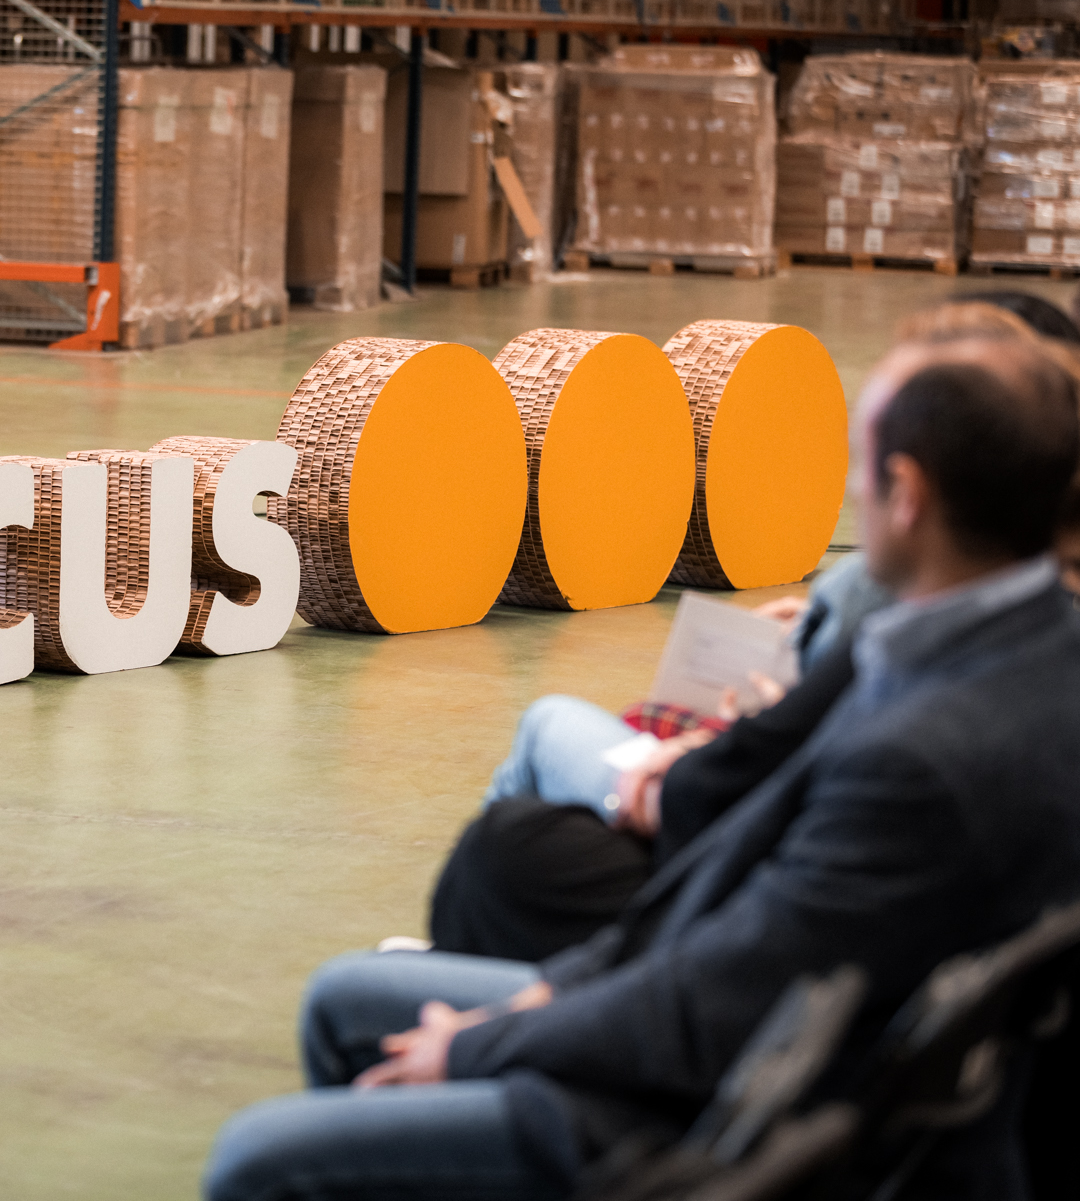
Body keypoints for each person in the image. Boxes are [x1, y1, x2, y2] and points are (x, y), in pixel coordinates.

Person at [204, 333, 1080, 1201]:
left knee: (257, 1155)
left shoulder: (921, 757)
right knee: (348, 995)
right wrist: (546, 997)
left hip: (714, 1114)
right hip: (739, 1016)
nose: (852, 488)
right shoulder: (1014, 649)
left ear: (907, 493)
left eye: (865, 463)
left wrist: (482, 1044)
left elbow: (716, 1001)